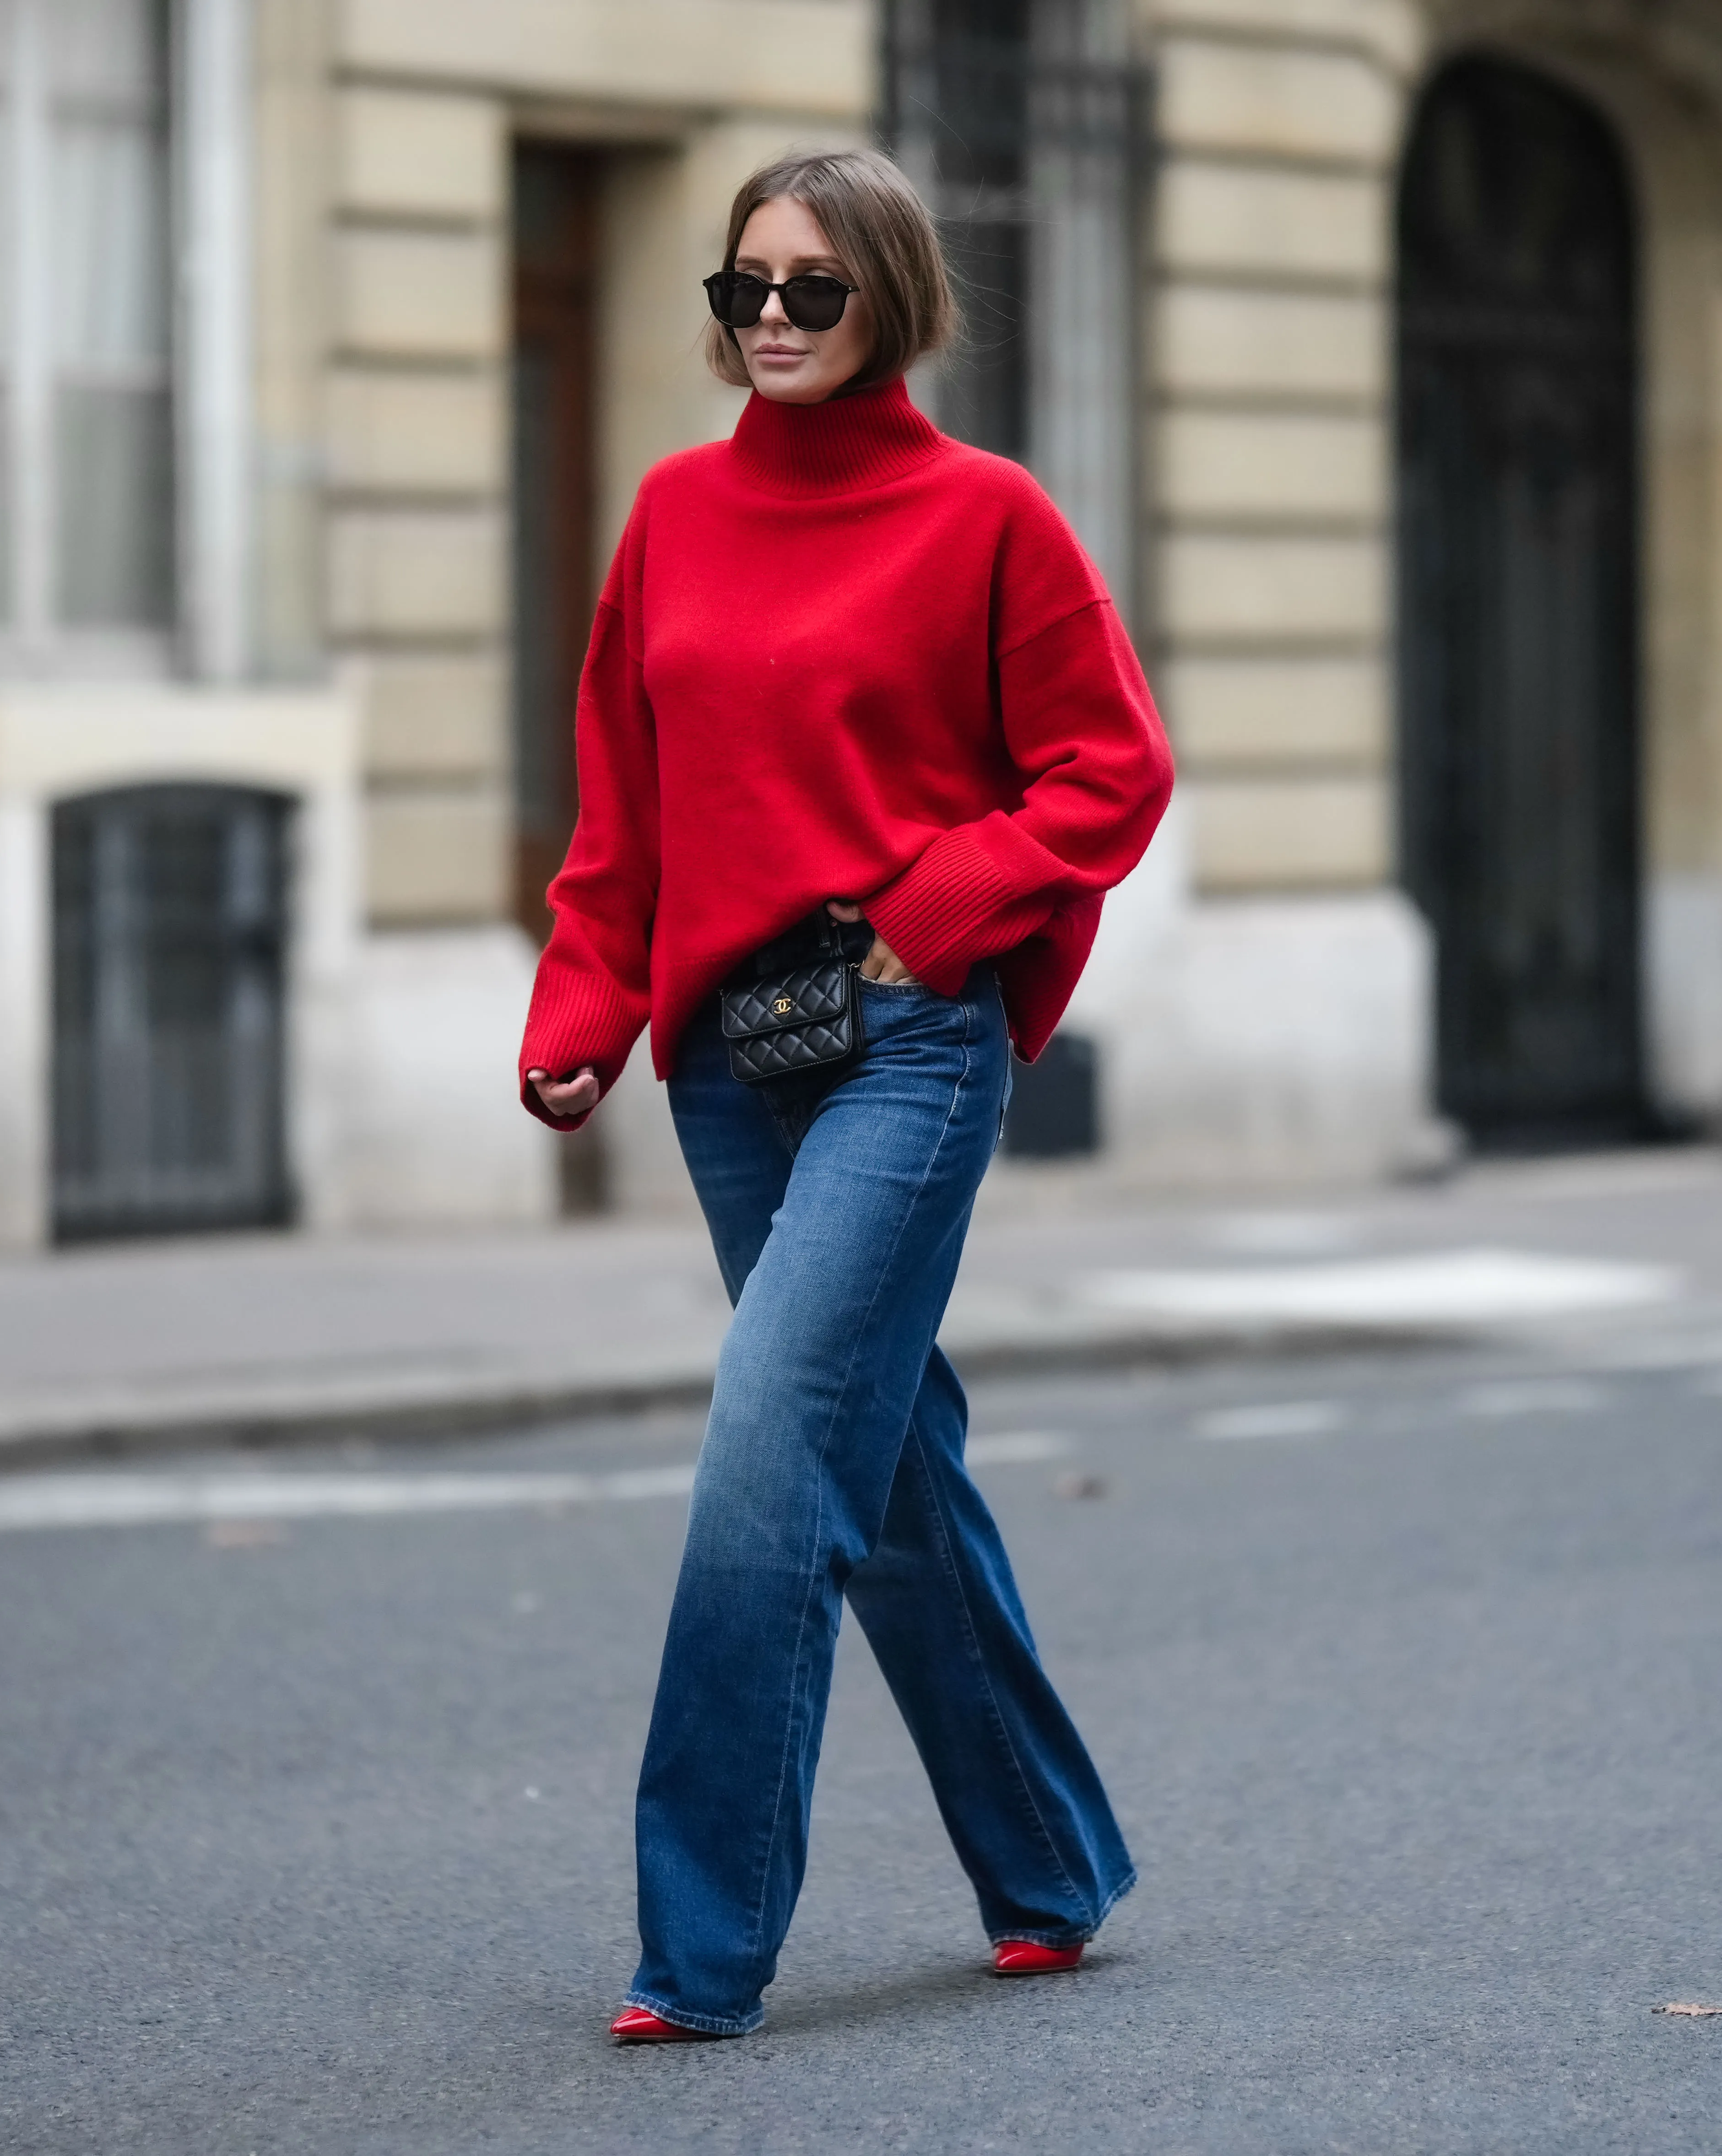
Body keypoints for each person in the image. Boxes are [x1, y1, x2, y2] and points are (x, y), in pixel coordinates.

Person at [514, 146, 1172, 2044]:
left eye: (813, 287)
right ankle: (1046, 1857)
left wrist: (934, 911)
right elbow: (623, 805)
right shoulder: (665, 517)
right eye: (746, 291)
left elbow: (1104, 771)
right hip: (729, 1061)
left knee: (767, 1439)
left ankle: (694, 1942)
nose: (776, 320)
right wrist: (582, 1001)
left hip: (907, 1043)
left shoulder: (989, 520)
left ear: (888, 297)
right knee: (879, 1463)